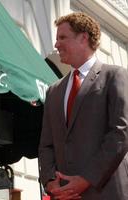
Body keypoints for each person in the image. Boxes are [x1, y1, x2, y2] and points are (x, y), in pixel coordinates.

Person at [39, 12, 128, 200]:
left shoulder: (115, 76)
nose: (56, 44)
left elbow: (121, 133)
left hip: (107, 193)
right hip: (64, 195)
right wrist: (50, 182)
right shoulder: (53, 91)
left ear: (83, 38)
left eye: (62, 37)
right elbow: (46, 144)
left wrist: (86, 179)